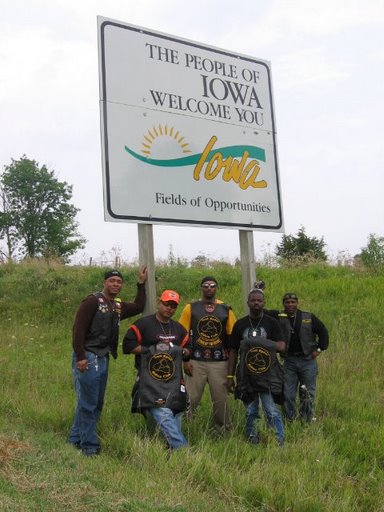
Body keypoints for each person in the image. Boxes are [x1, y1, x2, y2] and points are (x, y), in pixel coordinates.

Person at [68, 266, 147, 456]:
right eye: (112, 281)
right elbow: (78, 330)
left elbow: (138, 306)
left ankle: (74, 439)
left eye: (119, 282)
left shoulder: (117, 306)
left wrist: (141, 284)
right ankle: (89, 446)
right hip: (87, 356)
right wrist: (80, 357)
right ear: (104, 283)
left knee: (96, 402)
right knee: (89, 403)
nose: (116, 284)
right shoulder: (92, 301)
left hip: (103, 357)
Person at [122, 290, 191, 450]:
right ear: (160, 303)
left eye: (173, 306)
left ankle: (169, 449)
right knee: (162, 412)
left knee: (176, 411)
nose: (169, 308)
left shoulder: (179, 329)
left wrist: (183, 353)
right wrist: (152, 350)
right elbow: (128, 346)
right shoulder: (143, 324)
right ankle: (183, 450)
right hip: (149, 379)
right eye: (166, 304)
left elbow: (189, 349)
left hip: (173, 380)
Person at [227, 289, 286, 446]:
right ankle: (253, 438)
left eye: (259, 300)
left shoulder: (272, 323)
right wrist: (229, 377)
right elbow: (233, 351)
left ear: (264, 302)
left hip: (267, 375)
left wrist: (261, 342)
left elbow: (281, 346)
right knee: (251, 411)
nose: (256, 303)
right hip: (246, 376)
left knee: (271, 411)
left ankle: (278, 441)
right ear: (248, 303)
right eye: (253, 300)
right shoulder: (240, 324)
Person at [178, 276, 236, 433]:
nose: (209, 288)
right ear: (201, 288)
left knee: (220, 400)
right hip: (195, 360)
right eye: (206, 286)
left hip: (219, 362)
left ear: (216, 288)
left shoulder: (226, 309)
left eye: (212, 286)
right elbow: (182, 334)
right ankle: (184, 430)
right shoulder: (191, 308)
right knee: (190, 399)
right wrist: (185, 360)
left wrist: (231, 370)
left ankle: (223, 431)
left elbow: (232, 338)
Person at [266, 292, 329, 423]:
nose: (290, 305)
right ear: (283, 304)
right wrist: (258, 290)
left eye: (293, 302)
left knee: (307, 393)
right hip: (289, 362)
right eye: (287, 302)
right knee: (288, 394)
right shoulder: (278, 316)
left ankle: (306, 419)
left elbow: (323, 331)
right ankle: (290, 419)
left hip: (308, 361)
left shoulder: (308, 317)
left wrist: (319, 349)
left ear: (297, 303)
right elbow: (261, 311)